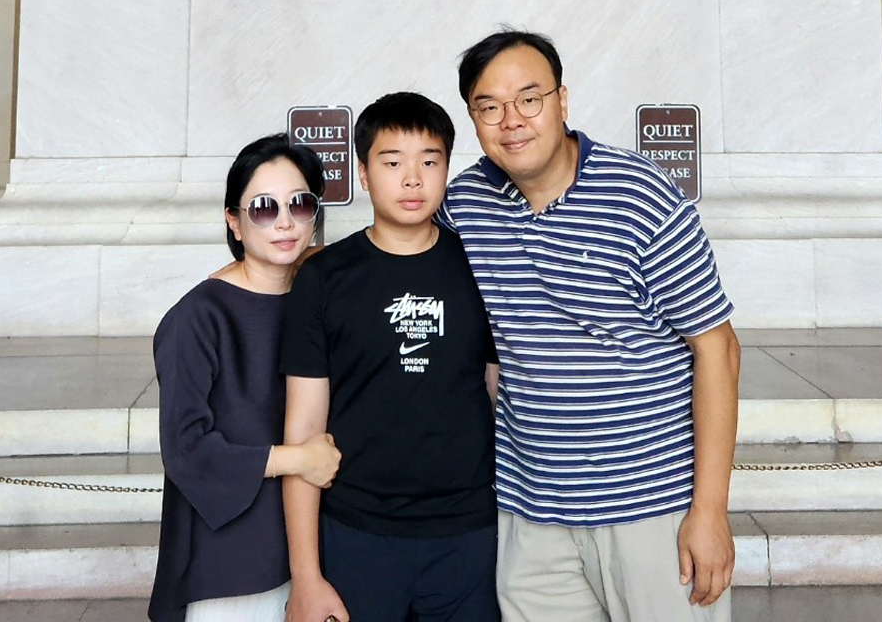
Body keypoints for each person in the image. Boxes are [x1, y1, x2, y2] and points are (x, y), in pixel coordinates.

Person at [440, 30, 742, 622]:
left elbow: (718, 350)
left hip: (651, 509)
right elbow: (391, 253)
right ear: (473, 119)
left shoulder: (642, 197)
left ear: (562, 101)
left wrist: (709, 510)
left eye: (530, 98)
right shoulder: (468, 203)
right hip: (532, 515)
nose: (512, 121)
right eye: (489, 107)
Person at [280, 92, 501, 622]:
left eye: (429, 162)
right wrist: (306, 579)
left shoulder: (482, 267)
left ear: (449, 169)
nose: (412, 179)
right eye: (392, 161)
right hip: (357, 532)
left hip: (469, 533)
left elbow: (495, 396)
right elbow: (304, 430)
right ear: (362, 173)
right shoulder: (323, 277)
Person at [149, 134, 342, 622]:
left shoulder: (317, 299)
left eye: (300, 204)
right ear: (233, 220)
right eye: (262, 207)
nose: (283, 221)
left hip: (314, 545)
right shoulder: (199, 316)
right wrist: (298, 458)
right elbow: (187, 448)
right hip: (229, 557)